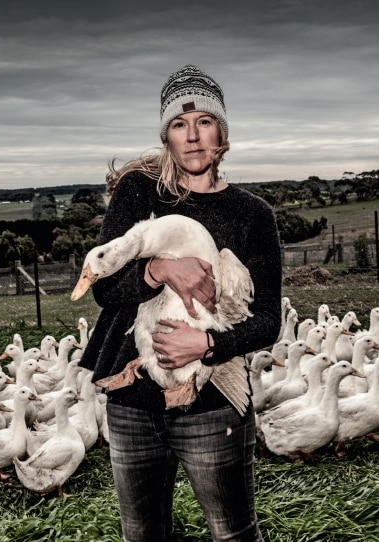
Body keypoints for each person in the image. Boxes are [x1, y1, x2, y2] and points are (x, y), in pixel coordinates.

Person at [78, 65, 282, 541]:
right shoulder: (138, 194)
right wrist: (159, 270)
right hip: (131, 404)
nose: (192, 136)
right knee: (142, 535)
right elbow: (106, 292)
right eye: (178, 124)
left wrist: (206, 344)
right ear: (166, 136)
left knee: (233, 533)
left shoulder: (252, 214)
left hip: (212, 404)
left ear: (222, 133)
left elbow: (269, 321)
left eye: (204, 122)